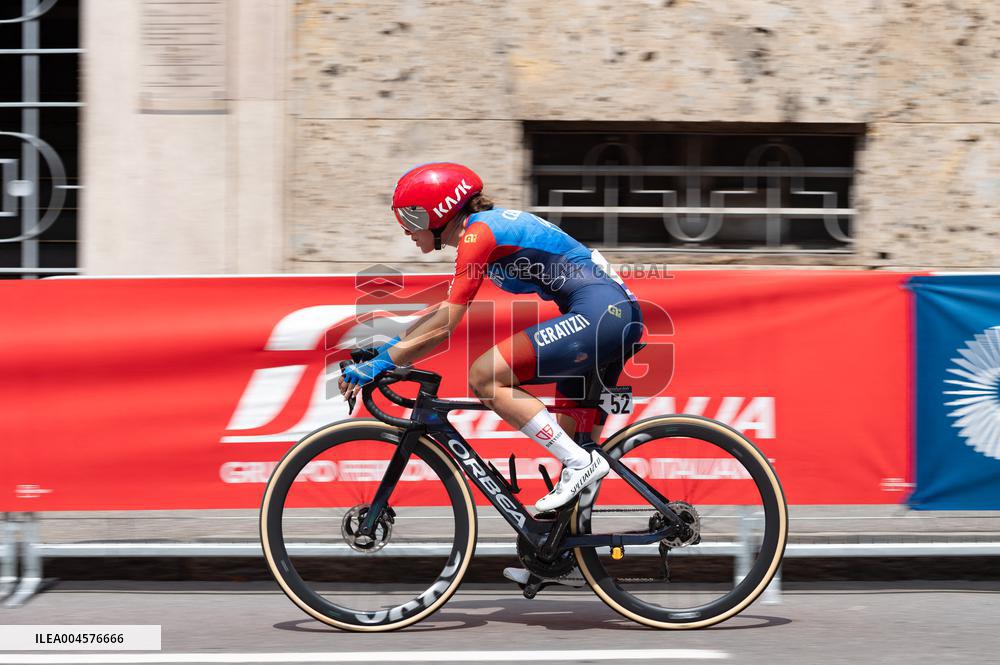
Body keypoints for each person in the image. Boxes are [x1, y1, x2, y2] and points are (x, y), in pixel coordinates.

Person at [339, 162, 643, 512]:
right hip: (609, 314)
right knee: (574, 454)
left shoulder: (478, 233)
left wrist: (382, 364)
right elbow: (442, 314)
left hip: (601, 314)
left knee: (486, 376)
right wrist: (387, 352)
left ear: (439, 211)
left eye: (411, 218)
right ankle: (555, 558)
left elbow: (445, 326)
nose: (406, 230)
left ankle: (580, 464)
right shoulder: (483, 229)